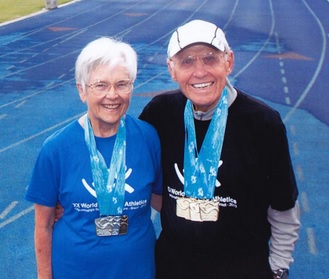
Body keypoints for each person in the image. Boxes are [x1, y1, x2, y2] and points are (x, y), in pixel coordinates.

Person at [139, 19, 300, 279]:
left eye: (210, 58)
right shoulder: (159, 114)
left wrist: (278, 267)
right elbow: (133, 173)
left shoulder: (262, 123)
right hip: (174, 265)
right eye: (187, 61)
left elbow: (283, 204)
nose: (199, 72)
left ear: (229, 61)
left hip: (242, 266)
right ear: (171, 69)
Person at [25, 37, 162, 279]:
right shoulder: (56, 148)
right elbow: (43, 226)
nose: (113, 95)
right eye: (100, 85)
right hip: (74, 271)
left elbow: (163, 202)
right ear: (82, 90)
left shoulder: (148, 138)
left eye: (122, 84)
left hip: (137, 271)